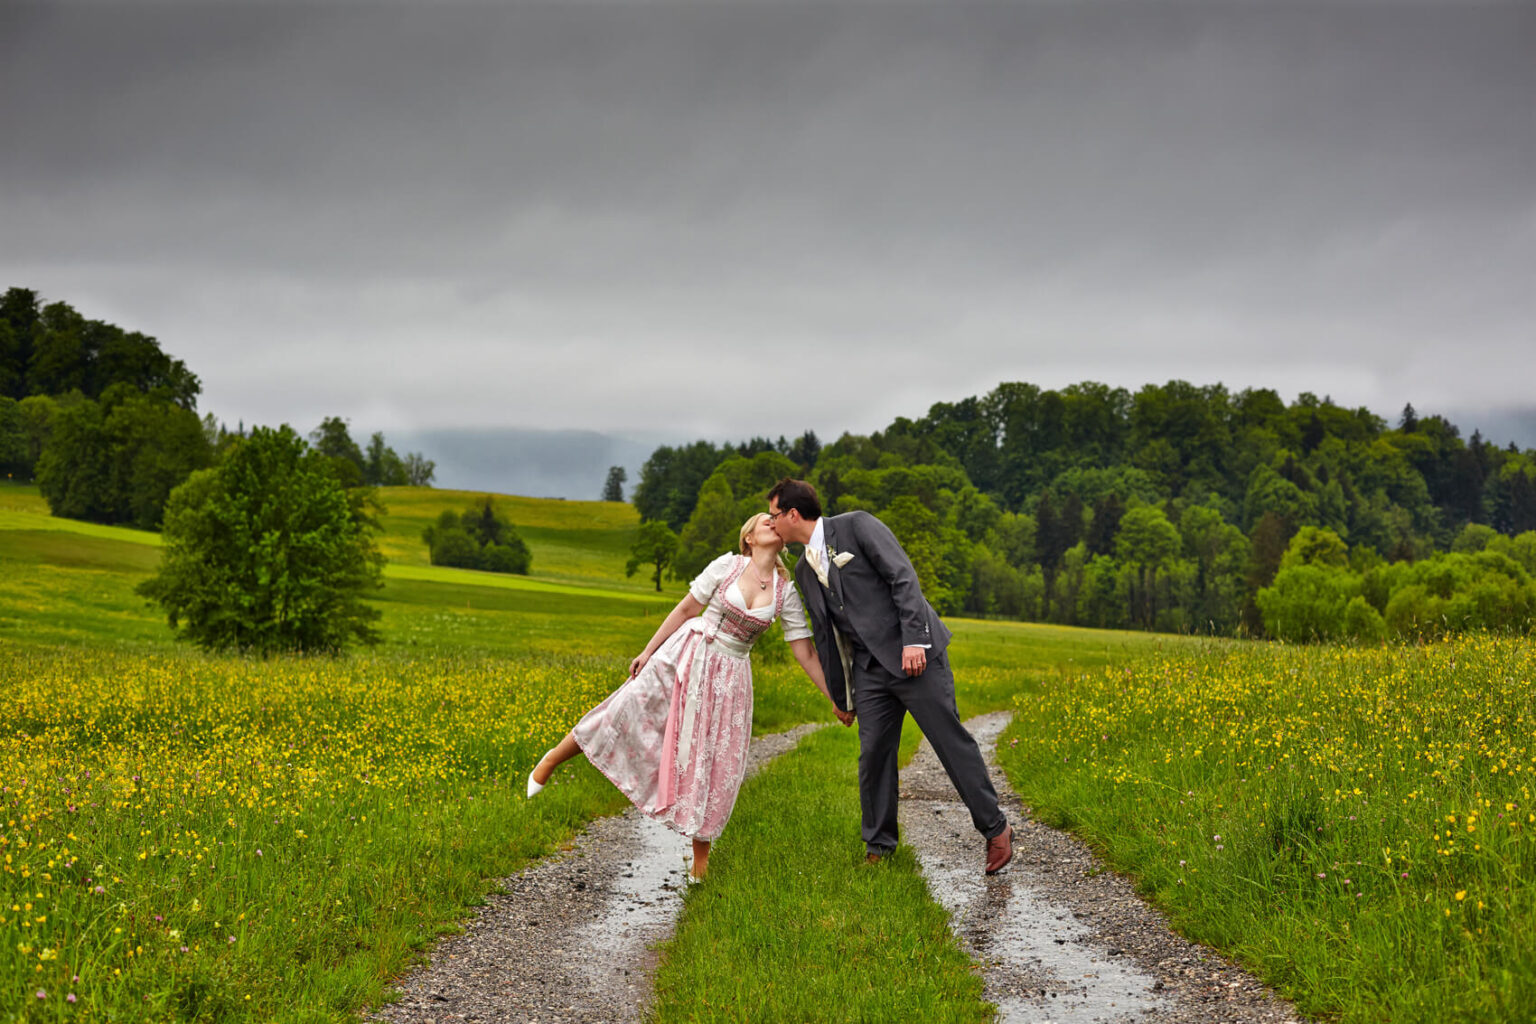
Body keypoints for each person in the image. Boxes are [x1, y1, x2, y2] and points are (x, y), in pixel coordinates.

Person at [527, 513, 852, 881]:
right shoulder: (726, 566)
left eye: (775, 520)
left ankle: (700, 866)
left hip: (730, 678)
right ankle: (553, 759)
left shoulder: (784, 591)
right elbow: (686, 609)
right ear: (748, 537)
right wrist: (648, 651)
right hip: (686, 655)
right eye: (765, 520)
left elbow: (804, 651)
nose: (773, 523)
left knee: (717, 762)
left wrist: (835, 698)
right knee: (627, 707)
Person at [766, 478, 1014, 875]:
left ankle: (996, 828)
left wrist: (915, 640)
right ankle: (879, 845)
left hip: (914, 659)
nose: (772, 523)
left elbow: (903, 577)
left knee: (949, 742)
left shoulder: (857, 526)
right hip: (869, 673)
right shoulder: (804, 570)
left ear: (793, 515)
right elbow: (828, 639)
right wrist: (840, 696)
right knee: (874, 757)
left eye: (774, 515)